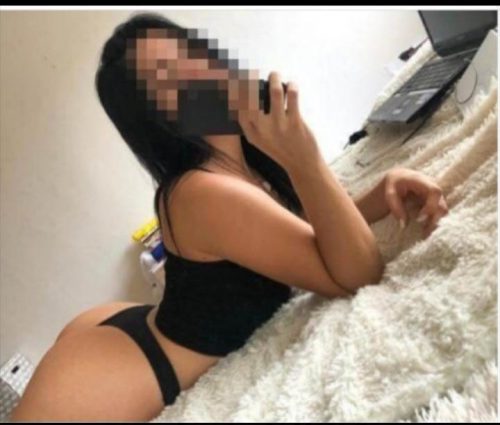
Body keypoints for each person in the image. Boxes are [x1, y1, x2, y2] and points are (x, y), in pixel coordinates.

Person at [10, 11, 449, 422]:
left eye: (190, 50)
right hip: (125, 368)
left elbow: (305, 234)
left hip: (128, 324)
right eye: (170, 76)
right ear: (158, 119)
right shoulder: (200, 192)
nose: (201, 70)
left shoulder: (247, 155)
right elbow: (359, 273)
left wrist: (381, 189)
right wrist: (306, 158)